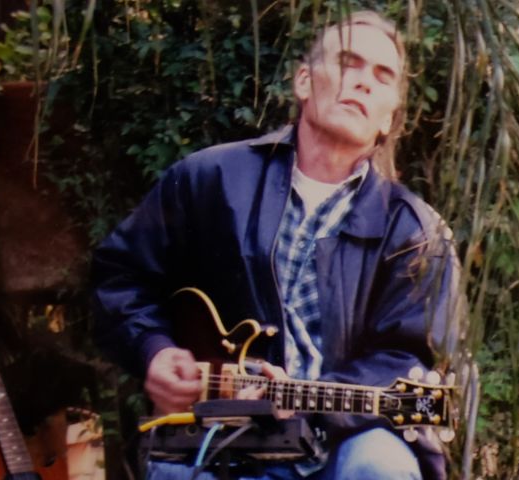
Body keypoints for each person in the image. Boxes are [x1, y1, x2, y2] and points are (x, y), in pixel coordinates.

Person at [92, 10, 463, 480]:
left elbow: (408, 359)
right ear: (304, 81)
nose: (363, 82)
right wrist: (154, 349)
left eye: (382, 76)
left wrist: (309, 400)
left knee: (379, 467)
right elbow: (119, 276)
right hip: (214, 430)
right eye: (348, 63)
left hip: (346, 437)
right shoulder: (209, 179)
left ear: (389, 117)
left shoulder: (415, 232)